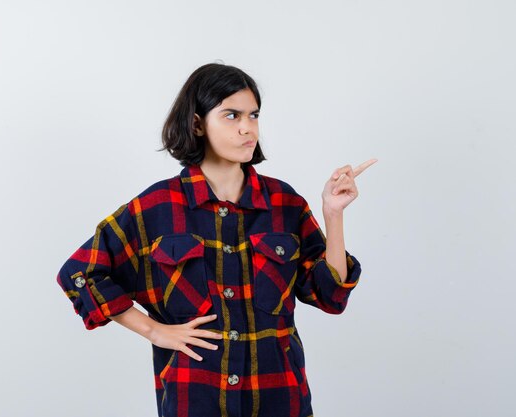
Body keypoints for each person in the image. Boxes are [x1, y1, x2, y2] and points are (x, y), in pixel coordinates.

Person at [55, 62, 377, 417]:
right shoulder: (156, 208)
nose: (247, 128)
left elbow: (330, 295)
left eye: (253, 115)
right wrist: (155, 331)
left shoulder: (284, 204)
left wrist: (333, 214)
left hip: (280, 400)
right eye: (231, 115)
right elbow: (79, 273)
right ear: (197, 123)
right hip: (195, 400)